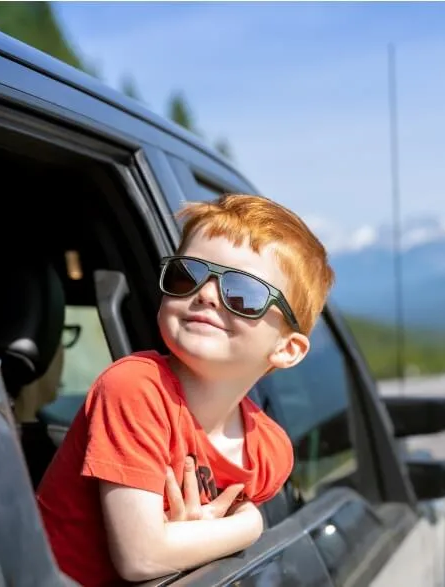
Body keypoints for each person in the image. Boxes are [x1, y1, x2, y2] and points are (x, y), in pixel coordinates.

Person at [35, 194, 335, 586]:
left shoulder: (269, 453)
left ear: (286, 349)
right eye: (187, 275)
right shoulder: (135, 387)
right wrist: (249, 525)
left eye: (243, 294)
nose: (207, 294)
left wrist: (186, 537)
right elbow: (141, 556)